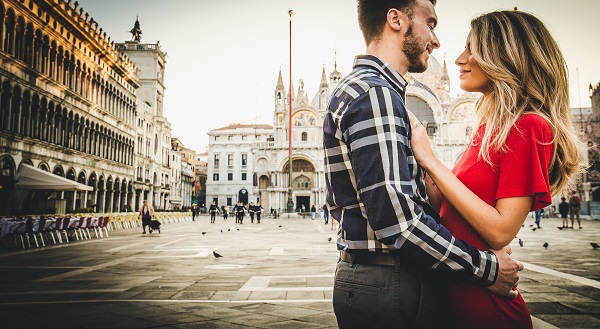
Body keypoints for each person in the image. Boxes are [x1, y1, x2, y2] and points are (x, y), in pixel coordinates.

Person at [324, 1, 524, 328]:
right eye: (430, 23)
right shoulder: (376, 95)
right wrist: (487, 269)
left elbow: (356, 203)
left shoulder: (370, 90)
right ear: (396, 19)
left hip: (380, 277)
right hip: (391, 282)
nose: (436, 39)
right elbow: (396, 221)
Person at [408, 10, 582, 329]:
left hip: (487, 310)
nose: (460, 58)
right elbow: (454, 211)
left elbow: (501, 230)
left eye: (472, 48)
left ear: (504, 58)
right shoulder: (490, 129)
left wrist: (431, 160)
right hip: (459, 294)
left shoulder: (529, 126)